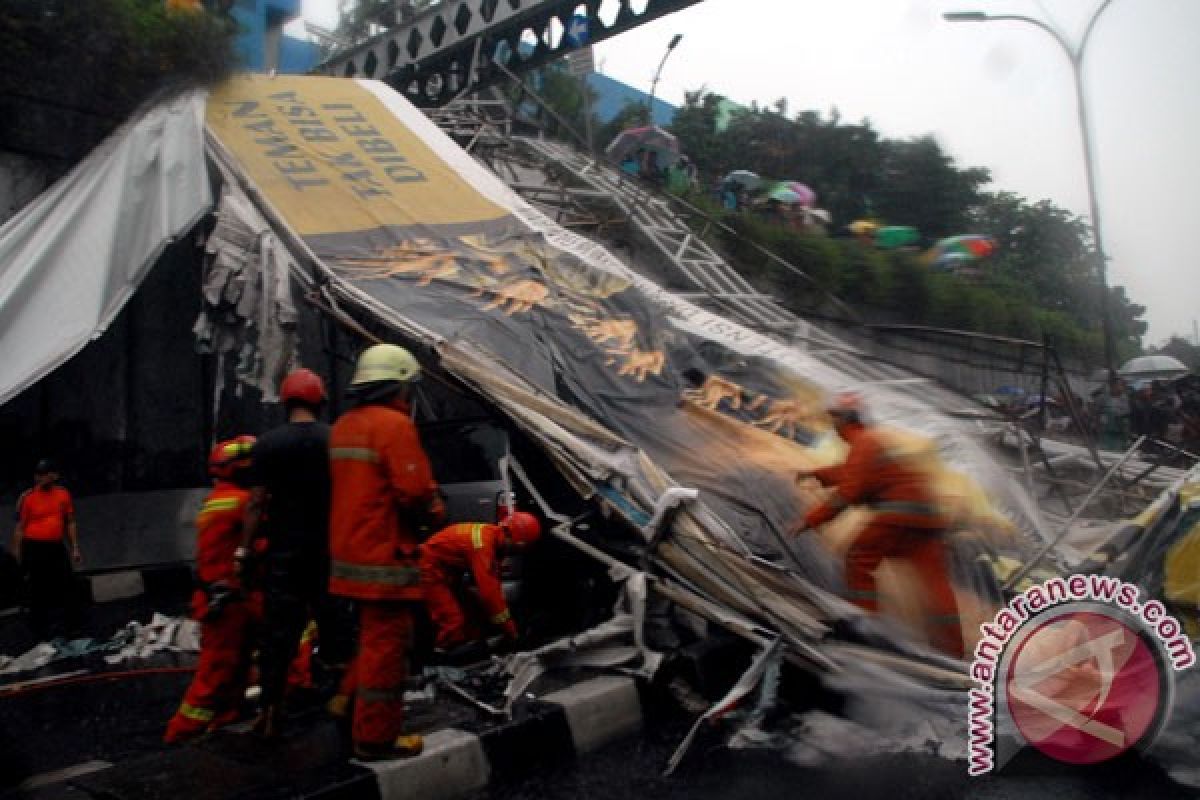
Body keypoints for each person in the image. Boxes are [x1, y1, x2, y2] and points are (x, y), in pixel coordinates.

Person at [327, 344, 445, 761]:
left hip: (349, 556)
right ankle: (376, 738)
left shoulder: (342, 425)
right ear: (399, 388)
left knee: (372, 636)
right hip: (384, 558)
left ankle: (345, 701)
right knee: (387, 647)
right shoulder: (394, 427)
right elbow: (413, 491)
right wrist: (435, 512)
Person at [790, 392, 963, 658]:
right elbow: (853, 473)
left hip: (899, 515)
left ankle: (865, 628)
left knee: (859, 558)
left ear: (845, 419)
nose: (832, 423)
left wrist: (809, 521)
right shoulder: (871, 442)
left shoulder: (865, 443)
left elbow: (849, 492)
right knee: (934, 583)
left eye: (834, 417)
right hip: (926, 520)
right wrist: (815, 474)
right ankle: (952, 651)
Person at [237, 367, 335, 739]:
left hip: (284, 554)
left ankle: (270, 712)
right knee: (336, 630)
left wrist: (244, 551)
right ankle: (344, 704)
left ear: (286, 402)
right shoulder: (334, 439)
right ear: (319, 401)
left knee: (278, 635)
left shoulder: (268, 444)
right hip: (327, 552)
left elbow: (255, 503)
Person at [164, 437, 259, 743]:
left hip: (222, 597)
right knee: (217, 671)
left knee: (237, 664)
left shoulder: (219, 498)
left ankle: (226, 716)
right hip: (228, 601)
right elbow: (261, 541)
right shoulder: (242, 503)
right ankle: (180, 733)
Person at [419, 511, 542, 654]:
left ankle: (470, 651)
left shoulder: (493, 537)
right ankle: (440, 657)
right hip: (430, 572)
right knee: (453, 621)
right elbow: (490, 594)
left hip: (445, 572)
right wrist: (511, 633)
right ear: (515, 539)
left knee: (472, 612)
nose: (517, 552)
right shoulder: (483, 547)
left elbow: (493, 585)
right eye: (520, 547)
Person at [13, 459, 81, 640]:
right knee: (37, 589)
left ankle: (73, 626)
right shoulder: (28, 498)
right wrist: (18, 556)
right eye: (38, 475)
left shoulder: (63, 494)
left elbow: (70, 521)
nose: (40, 478)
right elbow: (20, 528)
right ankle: (38, 630)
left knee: (68, 584)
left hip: (55, 546)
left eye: (44, 474)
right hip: (34, 547)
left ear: (54, 476)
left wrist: (74, 547)